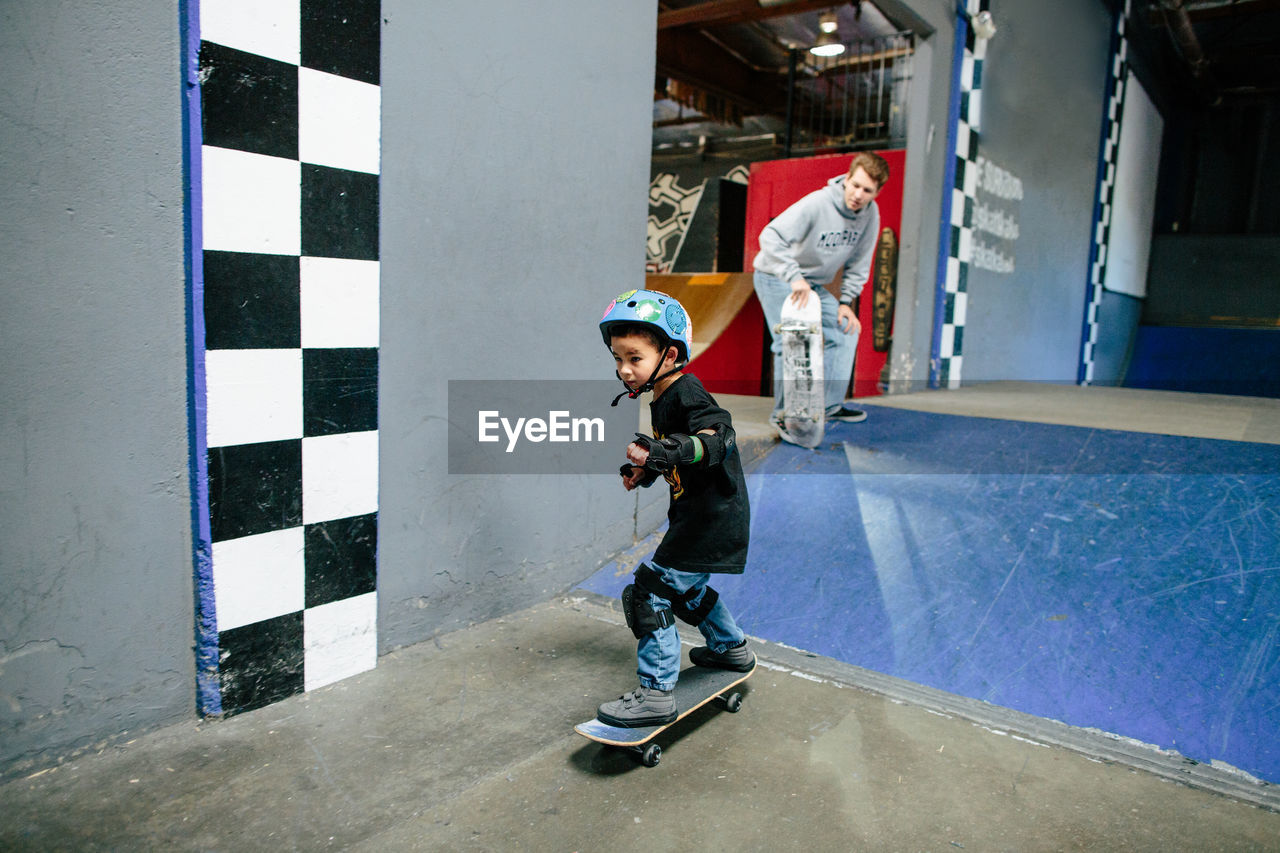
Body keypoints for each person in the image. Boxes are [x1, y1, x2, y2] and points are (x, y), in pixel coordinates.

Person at [595, 288, 754, 727]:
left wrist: (666, 454)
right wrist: (647, 469)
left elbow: (718, 438)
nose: (625, 369)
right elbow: (673, 451)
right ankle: (730, 648)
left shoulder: (687, 393)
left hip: (711, 519)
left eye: (635, 358)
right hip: (702, 515)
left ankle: (656, 694)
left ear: (670, 354)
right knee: (686, 590)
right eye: (618, 358)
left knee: (649, 592)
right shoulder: (663, 395)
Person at [752, 151, 891, 441]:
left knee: (845, 330)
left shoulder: (870, 216)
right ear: (847, 178)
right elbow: (770, 236)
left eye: (867, 190)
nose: (857, 194)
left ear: (876, 192)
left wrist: (845, 303)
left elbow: (860, 263)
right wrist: (794, 276)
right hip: (777, 276)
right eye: (854, 185)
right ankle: (783, 415)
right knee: (790, 338)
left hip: (812, 285)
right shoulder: (818, 203)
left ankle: (828, 405)